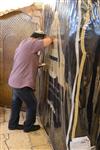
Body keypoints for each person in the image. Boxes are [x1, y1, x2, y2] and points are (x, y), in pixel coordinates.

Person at [8, 31, 53, 132]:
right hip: (21, 83)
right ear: (38, 39)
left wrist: (39, 65)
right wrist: (53, 37)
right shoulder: (32, 43)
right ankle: (28, 126)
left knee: (16, 103)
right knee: (32, 104)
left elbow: (26, 61)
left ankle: (13, 124)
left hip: (15, 80)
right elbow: (49, 40)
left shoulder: (24, 43)